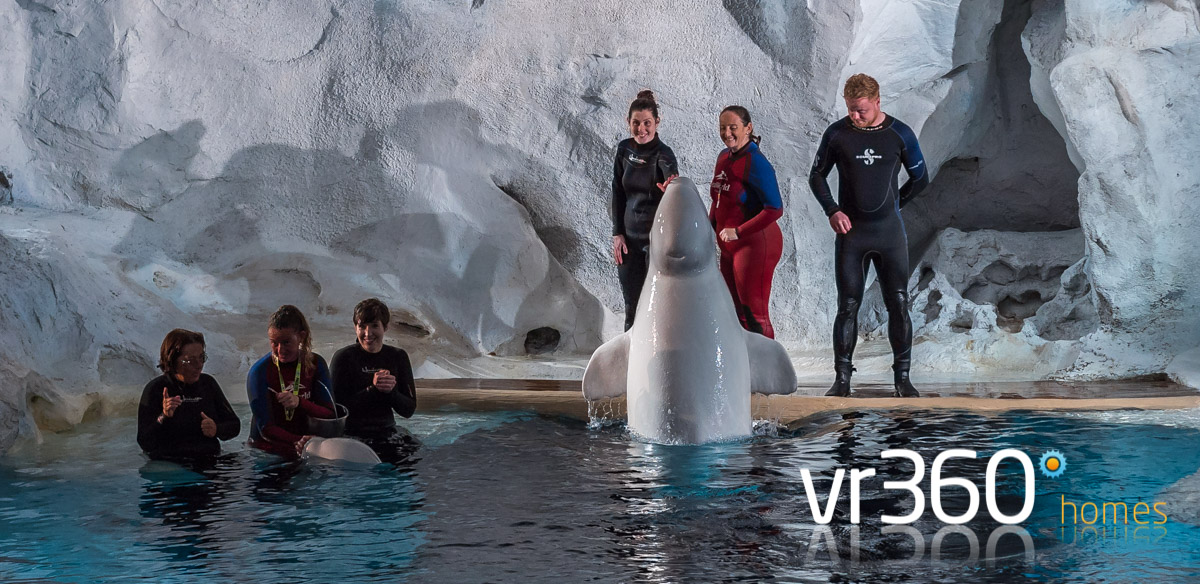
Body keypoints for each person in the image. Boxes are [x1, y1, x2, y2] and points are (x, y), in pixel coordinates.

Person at [808, 73, 929, 398]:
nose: (854, 116)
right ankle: (842, 380)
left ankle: (902, 379)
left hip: (889, 234)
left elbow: (921, 178)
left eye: (860, 109)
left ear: (877, 102)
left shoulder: (899, 134)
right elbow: (817, 175)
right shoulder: (838, 134)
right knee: (847, 306)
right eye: (850, 109)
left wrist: (894, 204)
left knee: (898, 303)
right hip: (852, 235)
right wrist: (832, 210)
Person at [708, 105, 785, 338]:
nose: (727, 133)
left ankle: (767, 372)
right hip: (729, 247)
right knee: (733, 313)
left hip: (755, 245)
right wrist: (709, 226)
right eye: (723, 128)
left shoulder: (756, 162)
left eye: (733, 127)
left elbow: (775, 208)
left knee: (754, 315)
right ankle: (744, 369)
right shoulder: (724, 157)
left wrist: (739, 232)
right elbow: (719, 198)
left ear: (748, 128)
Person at [611, 89, 679, 330]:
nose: (642, 129)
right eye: (636, 123)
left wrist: (671, 181)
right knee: (632, 307)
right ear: (628, 122)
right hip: (628, 240)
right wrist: (617, 233)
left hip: (655, 241)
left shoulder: (663, 154)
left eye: (647, 123)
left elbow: (670, 175)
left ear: (657, 123)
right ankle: (631, 363)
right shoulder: (624, 150)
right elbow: (617, 192)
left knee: (657, 306)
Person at [330, 298, 419, 463]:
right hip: (352, 435)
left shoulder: (397, 357)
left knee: (413, 458)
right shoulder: (344, 358)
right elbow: (334, 410)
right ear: (355, 328)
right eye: (362, 326)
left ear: (385, 327)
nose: (367, 333)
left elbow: (409, 410)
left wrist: (391, 392)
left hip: (386, 431)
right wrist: (372, 390)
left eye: (374, 326)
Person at [247, 305, 336, 458]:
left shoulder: (315, 364)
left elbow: (330, 414)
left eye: (286, 342)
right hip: (267, 451)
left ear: (301, 336)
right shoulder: (260, 371)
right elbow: (266, 428)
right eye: (274, 343)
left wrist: (300, 402)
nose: (280, 350)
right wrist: (299, 441)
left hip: (306, 447)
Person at [137, 329, 240, 459]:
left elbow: (234, 425)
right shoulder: (155, 389)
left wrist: (216, 429)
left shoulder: (208, 384)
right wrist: (164, 416)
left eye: (202, 358)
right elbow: (145, 442)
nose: (199, 365)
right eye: (190, 360)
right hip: (171, 463)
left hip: (209, 459)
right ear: (172, 360)